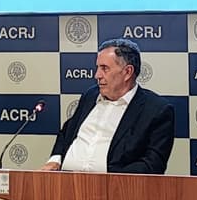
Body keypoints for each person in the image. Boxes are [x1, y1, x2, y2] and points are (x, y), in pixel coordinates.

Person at [40, 38, 175, 174]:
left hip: (114, 190)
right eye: (97, 68)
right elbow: (67, 132)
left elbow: (152, 166)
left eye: (104, 68)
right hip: (66, 183)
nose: (97, 75)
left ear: (127, 72)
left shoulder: (156, 110)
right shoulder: (90, 96)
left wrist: (106, 181)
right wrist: (55, 160)